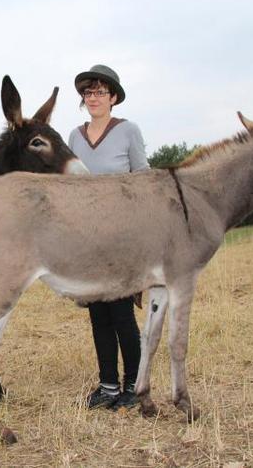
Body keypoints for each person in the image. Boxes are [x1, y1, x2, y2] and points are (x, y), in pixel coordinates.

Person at [67, 64, 149, 410]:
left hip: (121, 235)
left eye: (101, 92)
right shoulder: (74, 136)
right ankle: (109, 386)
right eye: (88, 92)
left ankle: (135, 385)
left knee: (121, 313)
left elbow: (144, 178)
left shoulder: (128, 131)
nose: (94, 98)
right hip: (87, 239)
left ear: (113, 97)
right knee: (97, 314)